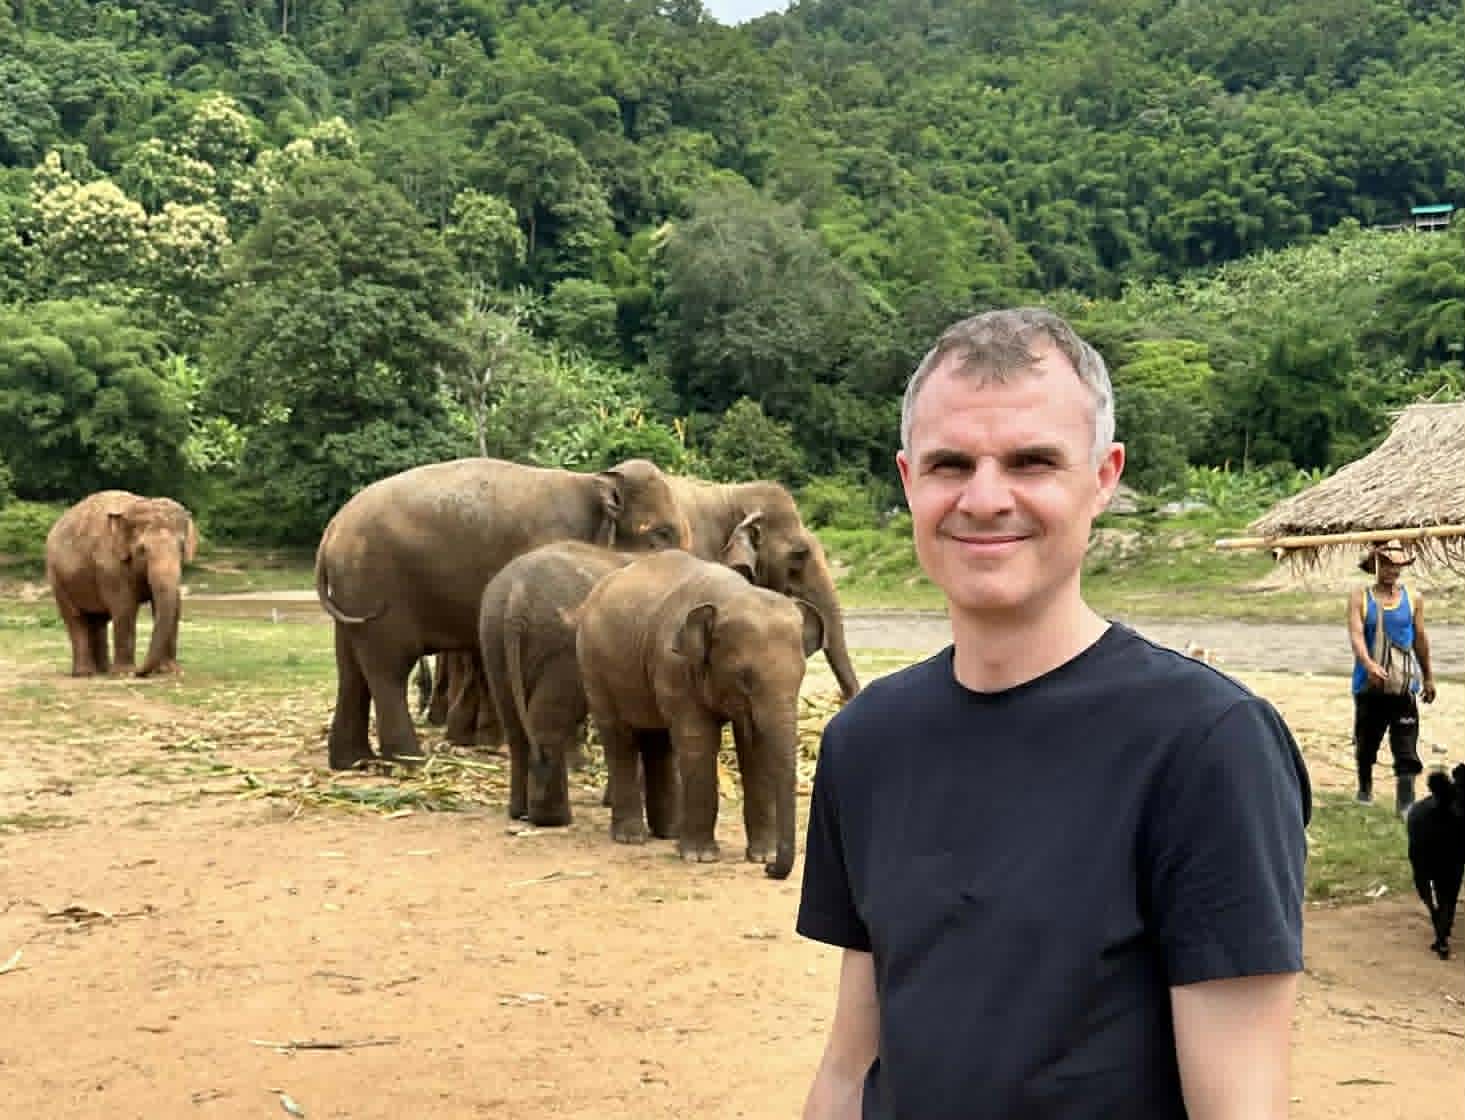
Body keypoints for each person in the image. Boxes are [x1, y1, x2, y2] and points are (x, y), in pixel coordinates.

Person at [797, 308, 1311, 1120]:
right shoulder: (865, 741)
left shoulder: (1207, 745)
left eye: (1032, 461)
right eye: (949, 464)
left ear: (1103, 477)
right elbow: (849, 1066)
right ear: (907, 480)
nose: (985, 497)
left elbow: (1239, 1101)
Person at [1347, 539, 1435, 813]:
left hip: (1403, 685)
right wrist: (1368, 663)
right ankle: (1364, 788)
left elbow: (1420, 639)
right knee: (1367, 742)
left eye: (1397, 565)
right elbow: (1356, 635)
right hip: (1369, 686)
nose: (1392, 570)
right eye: (1386, 564)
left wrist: (1429, 677)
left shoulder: (1413, 598)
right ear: (1375, 564)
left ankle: (1405, 803)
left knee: (1406, 744)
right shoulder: (1360, 597)